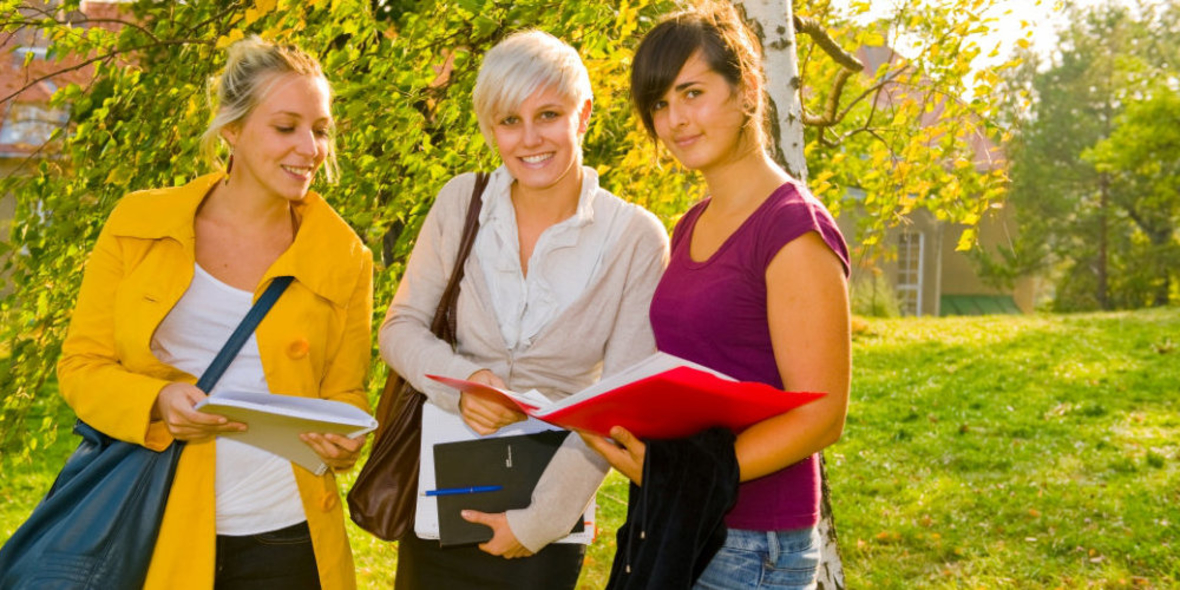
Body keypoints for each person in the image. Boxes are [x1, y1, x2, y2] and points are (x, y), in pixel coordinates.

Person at [55, 37, 372, 590]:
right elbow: (82, 364)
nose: (310, 147)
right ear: (231, 129)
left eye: (320, 129)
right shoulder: (140, 224)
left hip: (290, 536)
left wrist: (344, 437)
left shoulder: (344, 256)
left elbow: (347, 392)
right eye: (285, 127)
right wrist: (154, 400)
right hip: (156, 529)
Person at [379, 30, 669, 590]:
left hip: (548, 517)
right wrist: (464, 382)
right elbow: (399, 328)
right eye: (509, 120)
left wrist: (536, 525)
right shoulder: (460, 202)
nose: (530, 138)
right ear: (490, 128)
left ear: (583, 115)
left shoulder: (636, 236)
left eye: (549, 114)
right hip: (443, 506)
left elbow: (623, 403)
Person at [580, 4, 852, 590]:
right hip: (679, 522)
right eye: (659, 103)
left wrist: (679, 477)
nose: (675, 119)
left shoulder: (792, 229)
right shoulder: (692, 223)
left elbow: (822, 414)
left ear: (747, 86)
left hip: (753, 546)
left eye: (693, 92)